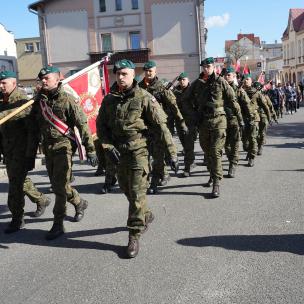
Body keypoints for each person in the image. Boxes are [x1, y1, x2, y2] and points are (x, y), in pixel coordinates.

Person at [96, 59, 178, 258]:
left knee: (136, 191)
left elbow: (161, 126)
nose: (121, 77)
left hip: (138, 151)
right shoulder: (109, 100)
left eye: (125, 73)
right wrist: (107, 146)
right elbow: (101, 127)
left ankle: (134, 234)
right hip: (118, 152)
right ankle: (146, 215)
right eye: (118, 74)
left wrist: (172, 153)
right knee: (127, 190)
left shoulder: (144, 97)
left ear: (134, 74)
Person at [32, 66, 98, 240]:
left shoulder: (67, 100)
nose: (44, 81)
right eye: (42, 79)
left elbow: (82, 124)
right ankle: (79, 202)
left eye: (47, 78)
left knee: (59, 188)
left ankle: (58, 223)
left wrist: (90, 149)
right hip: (48, 148)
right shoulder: (39, 101)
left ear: (57, 79)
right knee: (58, 185)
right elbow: (33, 126)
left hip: (64, 147)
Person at [0, 71, 51, 233]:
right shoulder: (2, 102)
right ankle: (41, 199)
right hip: (8, 150)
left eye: (4, 83)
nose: (1, 86)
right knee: (19, 180)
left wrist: (30, 155)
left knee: (15, 184)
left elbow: (32, 132)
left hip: (21, 151)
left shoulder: (23, 102)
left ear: (13, 83)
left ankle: (17, 218)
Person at [183, 57, 241, 197]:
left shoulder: (220, 81)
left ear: (214, 67)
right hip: (203, 122)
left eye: (208, 66)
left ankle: (216, 182)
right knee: (207, 152)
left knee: (215, 152)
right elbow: (184, 99)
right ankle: (212, 174)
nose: (206, 69)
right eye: (204, 67)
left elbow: (232, 100)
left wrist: (240, 119)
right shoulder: (197, 83)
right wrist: (193, 114)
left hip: (219, 121)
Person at [139, 60, 187, 194]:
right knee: (146, 156)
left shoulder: (162, 87)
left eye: (151, 71)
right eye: (146, 71)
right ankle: (154, 177)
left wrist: (181, 122)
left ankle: (156, 180)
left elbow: (173, 106)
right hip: (144, 127)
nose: (148, 73)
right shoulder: (139, 87)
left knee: (158, 154)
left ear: (155, 71)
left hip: (159, 123)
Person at [224, 67, 250, 177]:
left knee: (234, 144)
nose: (226, 76)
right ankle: (232, 160)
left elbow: (247, 105)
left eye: (229, 75)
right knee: (226, 146)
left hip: (234, 120)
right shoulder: (221, 89)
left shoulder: (239, 90)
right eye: (225, 74)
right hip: (223, 121)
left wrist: (248, 119)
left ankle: (232, 165)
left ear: (234, 76)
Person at [173, 72, 198, 177]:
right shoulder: (175, 92)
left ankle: (187, 167)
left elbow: (198, 104)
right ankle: (191, 161)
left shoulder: (193, 90)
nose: (182, 81)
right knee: (184, 144)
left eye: (184, 79)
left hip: (190, 122)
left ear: (188, 80)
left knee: (188, 145)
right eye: (180, 80)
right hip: (179, 122)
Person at [243, 76, 271, 165]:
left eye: (247, 79)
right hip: (244, 118)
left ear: (251, 82)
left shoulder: (257, 93)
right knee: (244, 139)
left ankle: (251, 157)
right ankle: (249, 151)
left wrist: (269, 117)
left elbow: (265, 106)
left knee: (252, 138)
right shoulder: (241, 92)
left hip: (254, 118)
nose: (245, 81)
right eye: (244, 79)